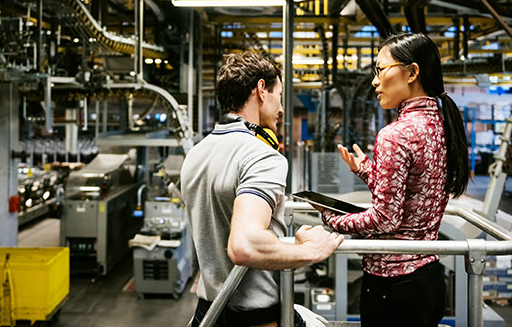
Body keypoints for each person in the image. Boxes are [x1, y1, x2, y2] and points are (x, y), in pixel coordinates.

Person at [181, 51, 344, 327]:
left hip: (209, 313)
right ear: (261, 90)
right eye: (279, 96)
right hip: (257, 318)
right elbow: (244, 245)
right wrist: (312, 251)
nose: (281, 109)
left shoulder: (196, 154)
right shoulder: (263, 156)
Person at [319, 33, 469, 327]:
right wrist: (367, 171)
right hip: (426, 280)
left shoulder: (395, 134)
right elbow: (412, 196)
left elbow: (385, 219)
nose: (374, 81)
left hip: (392, 289)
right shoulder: (441, 125)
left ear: (412, 72)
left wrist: (332, 220)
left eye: (380, 70)